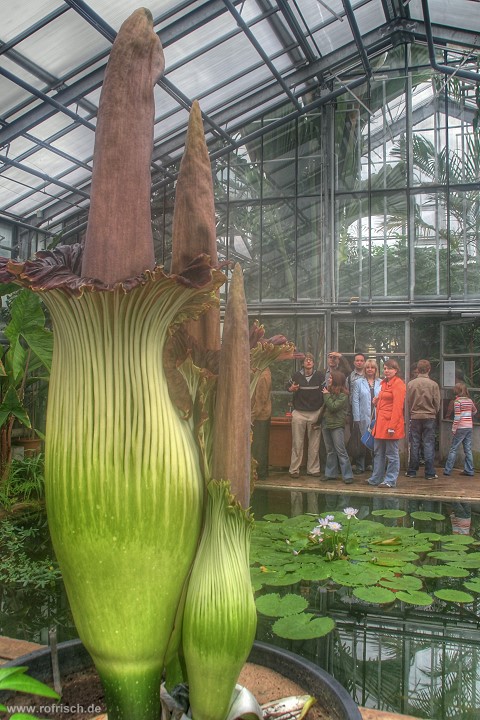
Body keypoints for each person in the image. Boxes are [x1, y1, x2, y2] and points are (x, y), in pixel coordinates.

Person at [367, 359, 406, 488]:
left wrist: (392, 427)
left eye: (390, 368)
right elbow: (385, 402)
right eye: (385, 368)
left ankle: (390, 480)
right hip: (380, 424)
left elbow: (397, 407)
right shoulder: (384, 383)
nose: (386, 371)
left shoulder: (399, 384)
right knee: (379, 452)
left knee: (392, 454)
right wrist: (377, 401)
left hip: (390, 425)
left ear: (396, 370)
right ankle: (376, 478)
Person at [286, 353, 324, 478]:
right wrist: (291, 388)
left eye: (310, 360)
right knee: (297, 442)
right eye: (306, 360)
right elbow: (287, 387)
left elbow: (325, 391)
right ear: (302, 363)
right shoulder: (296, 375)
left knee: (314, 444)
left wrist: (321, 413)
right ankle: (294, 470)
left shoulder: (319, 376)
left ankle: (313, 469)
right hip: (299, 413)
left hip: (315, 413)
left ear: (313, 363)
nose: (308, 362)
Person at [404, 359, 441, 480]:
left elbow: (408, 401)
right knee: (428, 443)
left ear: (418, 370)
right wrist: (433, 411)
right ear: (429, 369)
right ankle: (429, 472)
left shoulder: (411, 384)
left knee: (415, 443)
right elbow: (437, 402)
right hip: (429, 416)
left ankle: (412, 471)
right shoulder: (434, 385)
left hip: (415, 416)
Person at [321, 370, 354, 484]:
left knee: (341, 450)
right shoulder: (328, 391)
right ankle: (330, 474)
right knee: (330, 450)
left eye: (330, 378)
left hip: (336, 425)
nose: (328, 380)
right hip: (326, 423)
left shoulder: (343, 395)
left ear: (336, 380)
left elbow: (333, 407)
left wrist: (326, 395)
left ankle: (348, 475)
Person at [351, 359, 381, 473]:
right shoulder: (358, 382)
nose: (370, 369)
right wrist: (356, 418)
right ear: (365, 369)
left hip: (377, 417)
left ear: (376, 369)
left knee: (376, 442)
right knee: (362, 441)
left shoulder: (381, 382)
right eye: (368, 367)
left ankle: (375, 465)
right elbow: (355, 401)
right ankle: (360, 465)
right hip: (363, 416)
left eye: (372, 367)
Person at [443, 382, 477, 477]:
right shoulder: (469, 401)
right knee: (468, 449)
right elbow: (475, 411)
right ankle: (469, 470)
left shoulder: (457, 402)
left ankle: (448, 470)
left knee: (453, 448)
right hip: (469, 427)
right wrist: (468, 416)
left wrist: (454, 428)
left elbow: (457, 417)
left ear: (456, 391)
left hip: (460, 427)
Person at [251, 367, 271, 480]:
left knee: (259, 446)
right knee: (259, 445)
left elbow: (261, 399)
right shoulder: (261, 373)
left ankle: (260, 472)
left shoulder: (263, 375)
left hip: (260, 416)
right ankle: (260, 472)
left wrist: (251, 416)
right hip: (260, 415)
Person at [347, 352, 367, 473]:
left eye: (361, 360)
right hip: (354, 410)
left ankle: (370, 463)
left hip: (368, 410)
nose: (359, 362)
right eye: (357, 360)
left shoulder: (369, 375)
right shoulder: (350, 377)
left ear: (364, 362)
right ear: (354, 362)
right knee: (357, 438)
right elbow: (347, 392)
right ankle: (360, 465)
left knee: (370, 437)